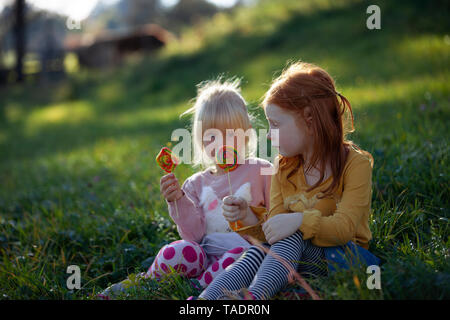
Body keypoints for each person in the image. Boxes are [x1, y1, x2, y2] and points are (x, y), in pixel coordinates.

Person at [198, 61, 380, 300]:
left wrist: (299, 220)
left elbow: (344, 229)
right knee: (261, 249)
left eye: (275, 124)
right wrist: (248, 216)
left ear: (310, 120)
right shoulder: (284, 167)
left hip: (344, 258)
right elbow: (273, 231)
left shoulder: (355, 164)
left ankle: (253, 299)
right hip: (296, 259)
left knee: (293, 234)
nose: (269, 134)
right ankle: (205, 300)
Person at [98, 78, 272, 299]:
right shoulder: (195, 184)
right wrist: (177, 199)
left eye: (230, 134)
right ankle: (147, 281)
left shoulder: (261, 170)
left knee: (239, 256)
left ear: (247, 134)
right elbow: (194, 235)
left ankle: (198, 288)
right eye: (211, 137)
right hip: (204, 253)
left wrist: (250, 215)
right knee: (179, 249)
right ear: (199, 139)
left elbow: (276, 217)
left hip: (245, 256)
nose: (221, 144)